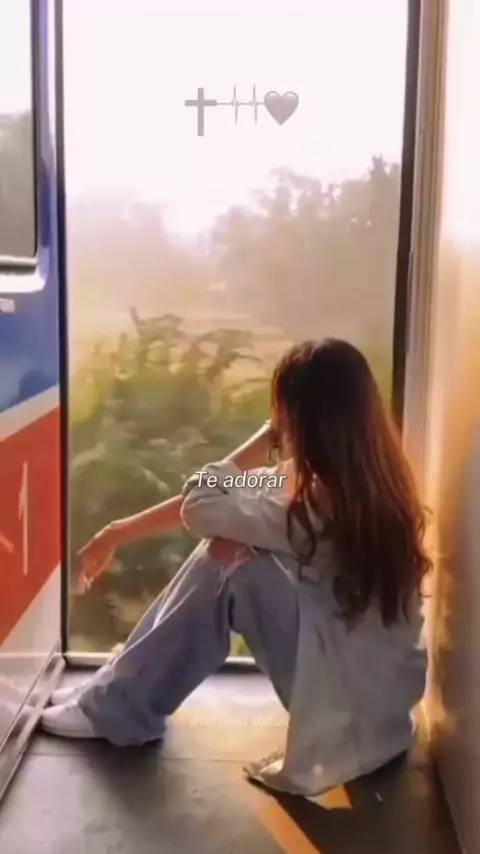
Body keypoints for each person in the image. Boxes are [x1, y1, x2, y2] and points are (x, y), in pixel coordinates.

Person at [41, 339, 431, 797]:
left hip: (344, 713)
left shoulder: (319, 501)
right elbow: (218, 498)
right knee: (230, 546)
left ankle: (119, 707)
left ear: (299, 415)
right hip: (380, 712)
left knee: (231, 565)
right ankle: (117, 692)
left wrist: (263, 438)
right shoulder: (369, 483)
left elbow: (203, 501)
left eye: (280, 409)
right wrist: (118, 532)